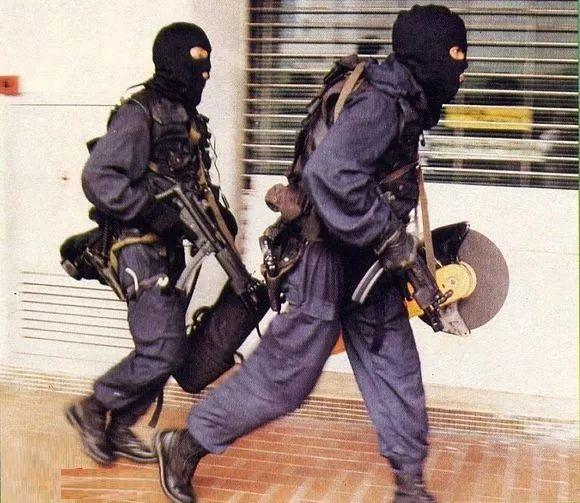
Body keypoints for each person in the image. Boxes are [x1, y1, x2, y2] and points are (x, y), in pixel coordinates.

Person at [154, 5, 468, 503]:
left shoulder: (403, 100)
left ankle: (409, 483)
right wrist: (388, 236)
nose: (462, 68)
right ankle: (186, 443)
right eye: (455, 54)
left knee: (394, 362)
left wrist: (389, 243)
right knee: (287, 376)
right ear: (429, 55)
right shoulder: (383, 103)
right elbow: (329, 174)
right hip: (324, 254)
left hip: (364, 259)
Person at [65, 22, 267, 467]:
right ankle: (94, 408)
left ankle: (120, 425)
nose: (204, 74)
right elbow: (98, 177)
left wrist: (216, 215)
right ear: (171, 61)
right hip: (137, 244)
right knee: (163, 347)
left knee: (168, 348)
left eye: (208, 65)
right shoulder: (139, 113)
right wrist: (148, 210)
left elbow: (189, 182)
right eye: (196, 63)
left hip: (172, 250)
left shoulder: (187, 117)